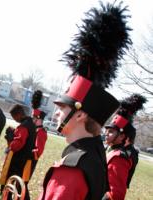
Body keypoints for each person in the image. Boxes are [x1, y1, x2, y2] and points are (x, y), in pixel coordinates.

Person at [38, 2, 131, 200]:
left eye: (62, 107)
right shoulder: (94, 155)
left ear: (80, 114)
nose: (56, 113)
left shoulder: (72, 169)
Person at [103, 94, 147, 200]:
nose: (106, 134)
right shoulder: (112, 150)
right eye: (107, 131)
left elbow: (116, 194)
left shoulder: (119, 158)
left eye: (111, 132)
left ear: (122, 136)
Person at [0, 104, 36, 200]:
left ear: (19, 114)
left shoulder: (23, 127)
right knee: (20, 186)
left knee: (8, 183)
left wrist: (11, 138)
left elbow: (16, 146)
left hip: (17, 161)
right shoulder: (31, 124)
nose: (14, 119)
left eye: (14, 117)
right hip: (24, 160)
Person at [30, 90, 47, 173]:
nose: (32, 119)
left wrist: (27, 153)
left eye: (34, 117)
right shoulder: (34, 129)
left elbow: (38, 151)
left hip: (30, 161)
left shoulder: (41, 132)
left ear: (39, 118)